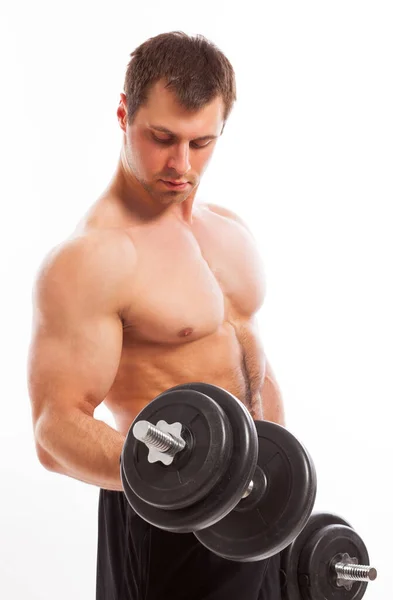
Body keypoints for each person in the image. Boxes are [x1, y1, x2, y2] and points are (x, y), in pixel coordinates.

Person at [28, 31, 285, 600]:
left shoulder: (229, 229)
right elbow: (54, 430)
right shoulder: (94, 257)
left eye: (202, 143)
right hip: (165, 523)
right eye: (162, 137)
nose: (180, 164)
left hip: (261, 510)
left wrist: (280, 485)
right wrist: (186, 479)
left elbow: (250, 360)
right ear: (124, 114)